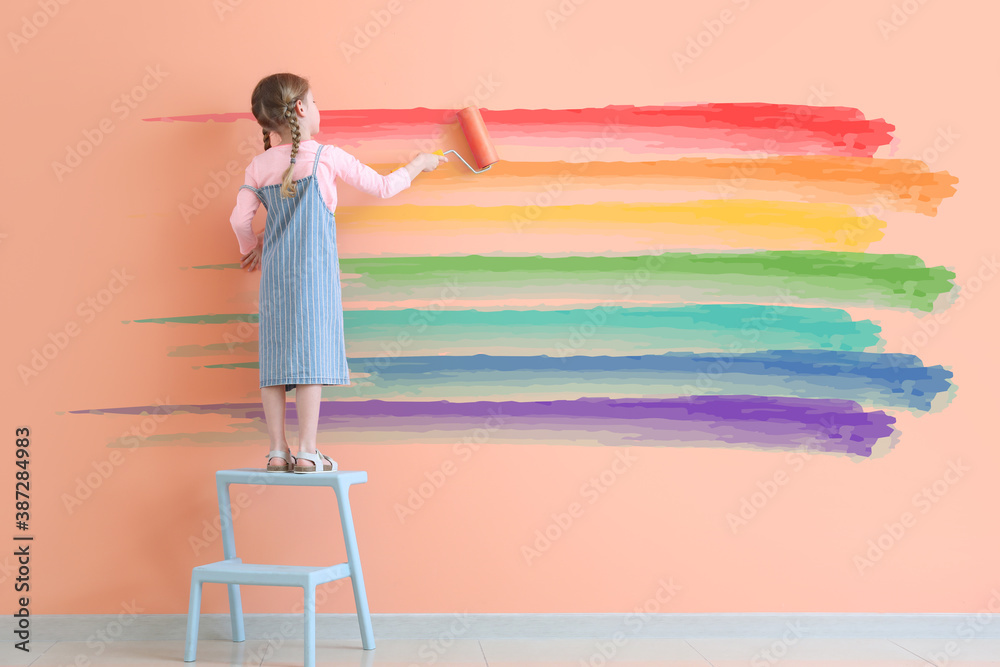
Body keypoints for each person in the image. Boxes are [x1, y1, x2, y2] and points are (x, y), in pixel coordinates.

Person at [229, 72, 446, 473]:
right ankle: (308, 450)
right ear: (299, 109)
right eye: (313, 102)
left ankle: (278, 451)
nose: (317, 108)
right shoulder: (327, 156)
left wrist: (251, 248)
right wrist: (418, 164)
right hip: (315, 280)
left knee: (275, 360)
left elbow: (239, 220)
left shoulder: (258, 166)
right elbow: (382, 187)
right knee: (311, 356)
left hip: (275, 282)